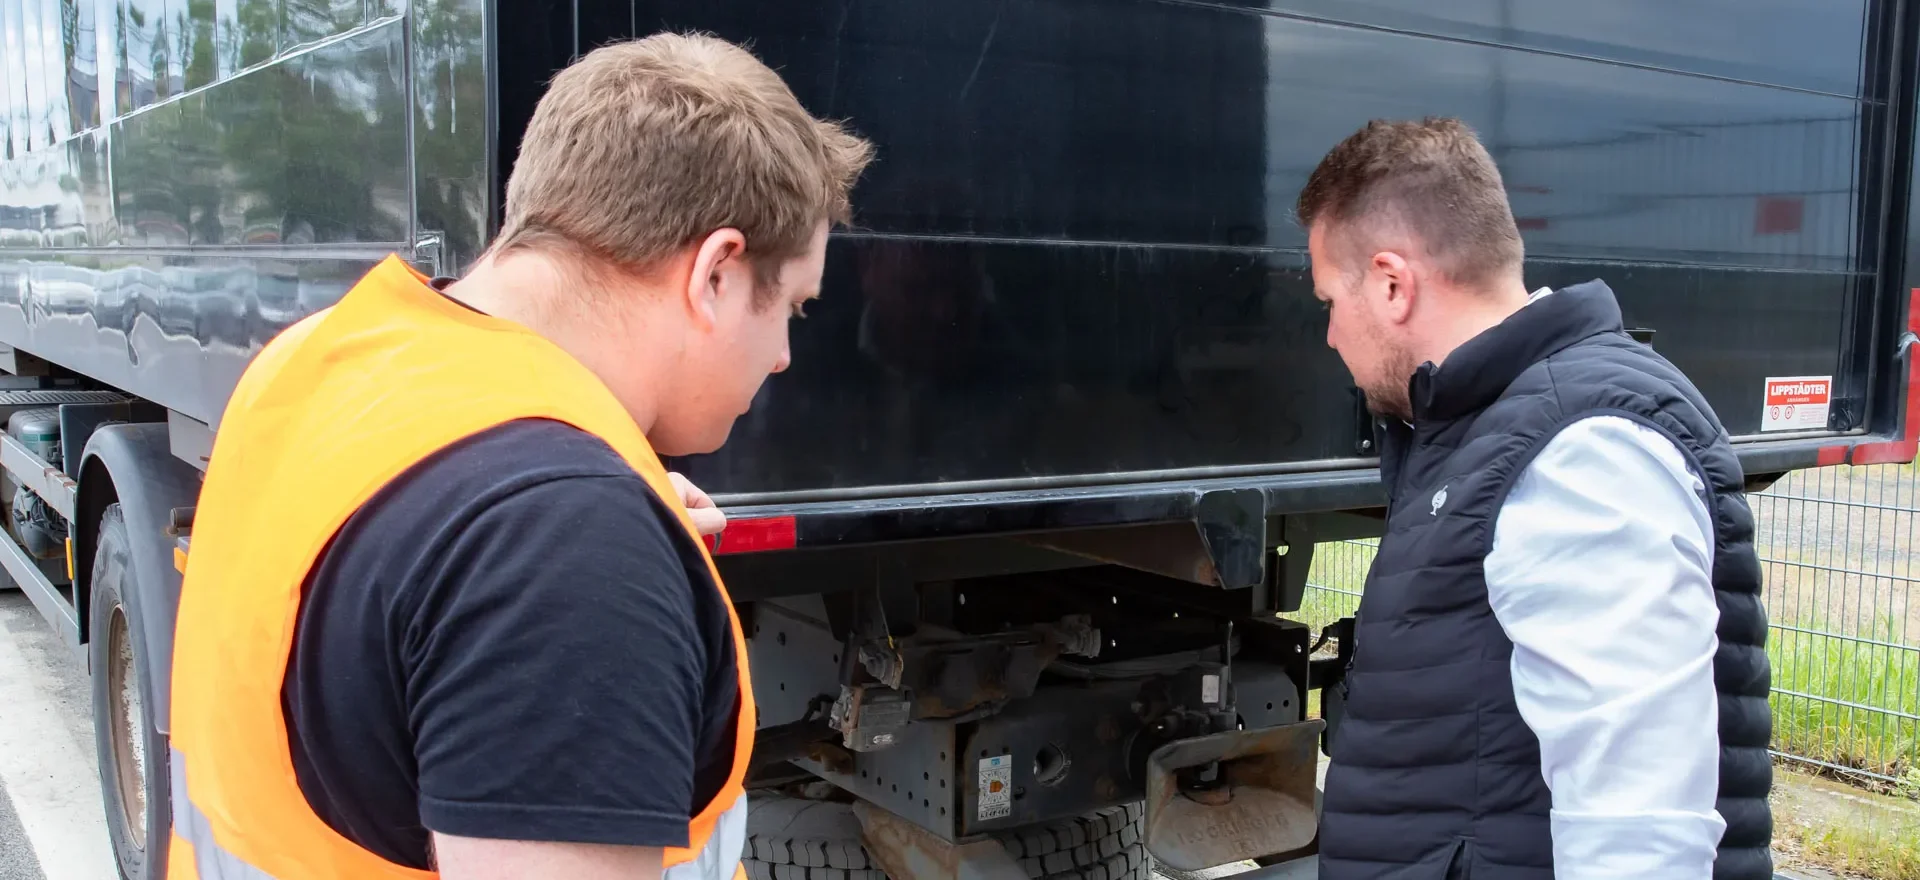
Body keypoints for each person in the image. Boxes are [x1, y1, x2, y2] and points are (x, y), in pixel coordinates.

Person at [166, 33, 874, 880]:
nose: (784, 356)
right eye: (793, 306)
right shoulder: (565, 544)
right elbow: (519, 569)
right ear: (717, 272)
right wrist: (596, 544)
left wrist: (605, 506)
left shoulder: (318, 360)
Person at [1297, 117, 1771, 880]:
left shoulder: (1585, 451)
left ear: (1391, 284)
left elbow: (1638, 825)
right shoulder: (1488, 429)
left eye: (1329, 299)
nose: (1328, 335)